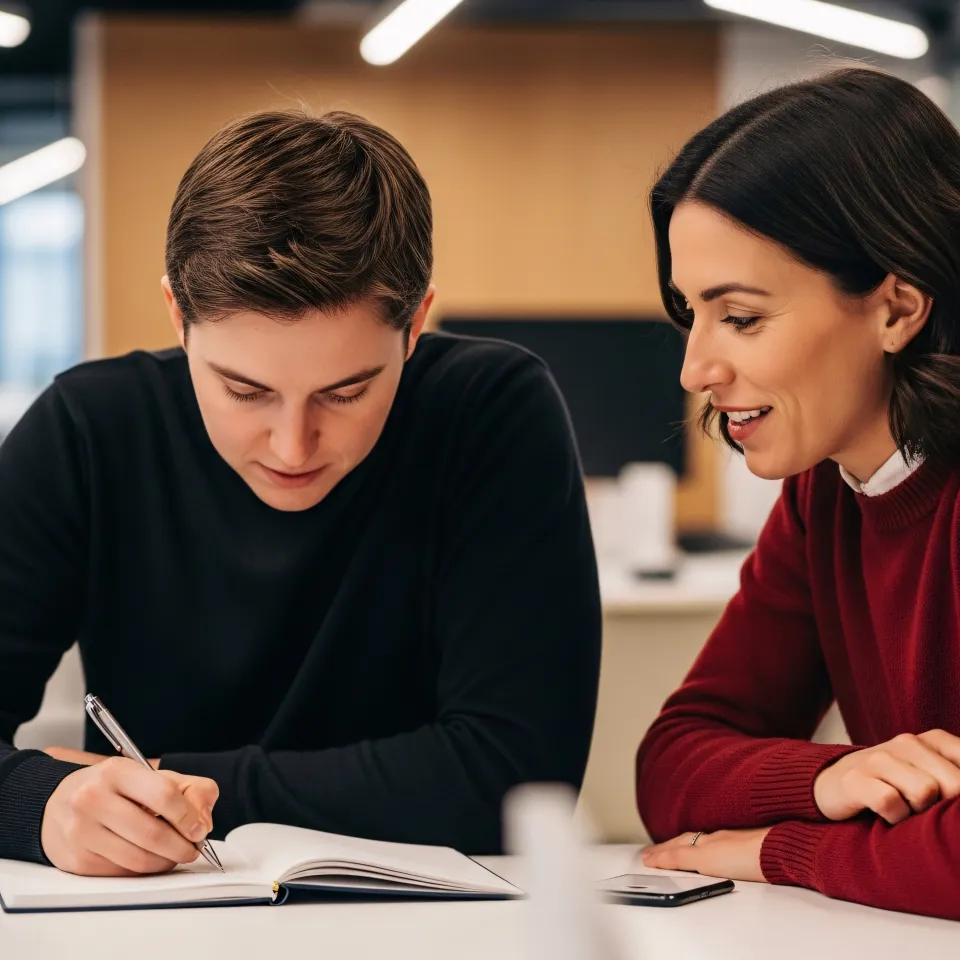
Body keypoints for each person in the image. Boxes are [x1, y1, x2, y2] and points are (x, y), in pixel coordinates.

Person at [0, 110, 601, 877]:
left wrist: (168, 777)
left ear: (416, 326)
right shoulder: (88, 430)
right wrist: (40, 804)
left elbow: (518, 783)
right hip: (157, 926)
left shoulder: (490, 410)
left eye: (346, 392)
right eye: (244, 390)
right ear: (177, 315)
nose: (293, 445)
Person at [634, 66, 960, 921]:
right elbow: (672, 764)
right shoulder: (826, 498)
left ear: (897, 308)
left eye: (740, 317)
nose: (696, 370)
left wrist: (780, 849)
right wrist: (827, 778)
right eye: (689, 313)